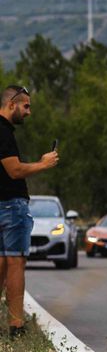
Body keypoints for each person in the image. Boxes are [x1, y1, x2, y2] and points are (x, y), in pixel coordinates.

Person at [0, 85, 58, 338]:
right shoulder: (3, 132)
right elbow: (14, 171)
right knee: (16, 262)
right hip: (11, 205)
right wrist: (43, 164)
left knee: (3, 263)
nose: (29, 112)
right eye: (26, 106)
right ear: (11, 104)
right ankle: (16, 326)